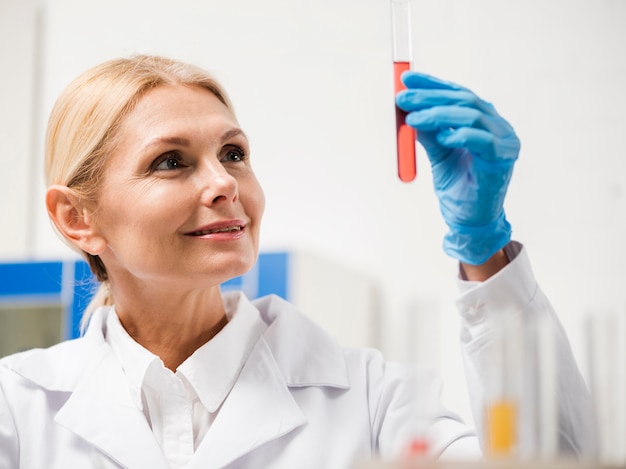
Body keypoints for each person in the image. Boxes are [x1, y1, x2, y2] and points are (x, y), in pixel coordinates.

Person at [0, 55, 591, 468]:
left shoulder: (369, 400)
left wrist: (484, 247)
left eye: (234, 153)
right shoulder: (18, 409)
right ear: (79, 218)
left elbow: (553, 461)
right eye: (171, 162)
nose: (224, 183)